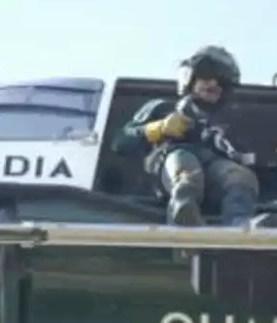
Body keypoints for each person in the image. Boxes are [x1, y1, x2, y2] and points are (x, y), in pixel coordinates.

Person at [110, 46, 260, 227]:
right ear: (189, 78)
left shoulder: (231, 123)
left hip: (214, 173)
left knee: (240, 176)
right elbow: (120, 142)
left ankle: (239, 227)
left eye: (222, 81)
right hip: (173, 166)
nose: (213, 83)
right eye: (206, 75)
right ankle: (183, 215)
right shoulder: (162, 108)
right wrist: (159, 128)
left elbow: (249, 163)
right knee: (185, 165)